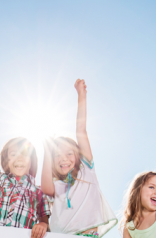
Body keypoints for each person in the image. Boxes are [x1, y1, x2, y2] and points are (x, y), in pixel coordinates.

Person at [41, 79, 117, 237]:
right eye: (57, 155)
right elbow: (45, 188)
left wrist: (81, 96)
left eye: (69, 153)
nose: (64, 159)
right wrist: (47, 151)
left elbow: (81, 131)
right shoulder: (57, 185)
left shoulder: (86, 169)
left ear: (78, 156)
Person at [0, 105, 51, 238]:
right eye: (13, 154)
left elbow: (45, 221)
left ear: (31, 161)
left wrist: (43, 225)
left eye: (24, 154)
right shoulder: (0, 180)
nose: (19, 157)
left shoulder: (39, 192)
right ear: (6, 161)